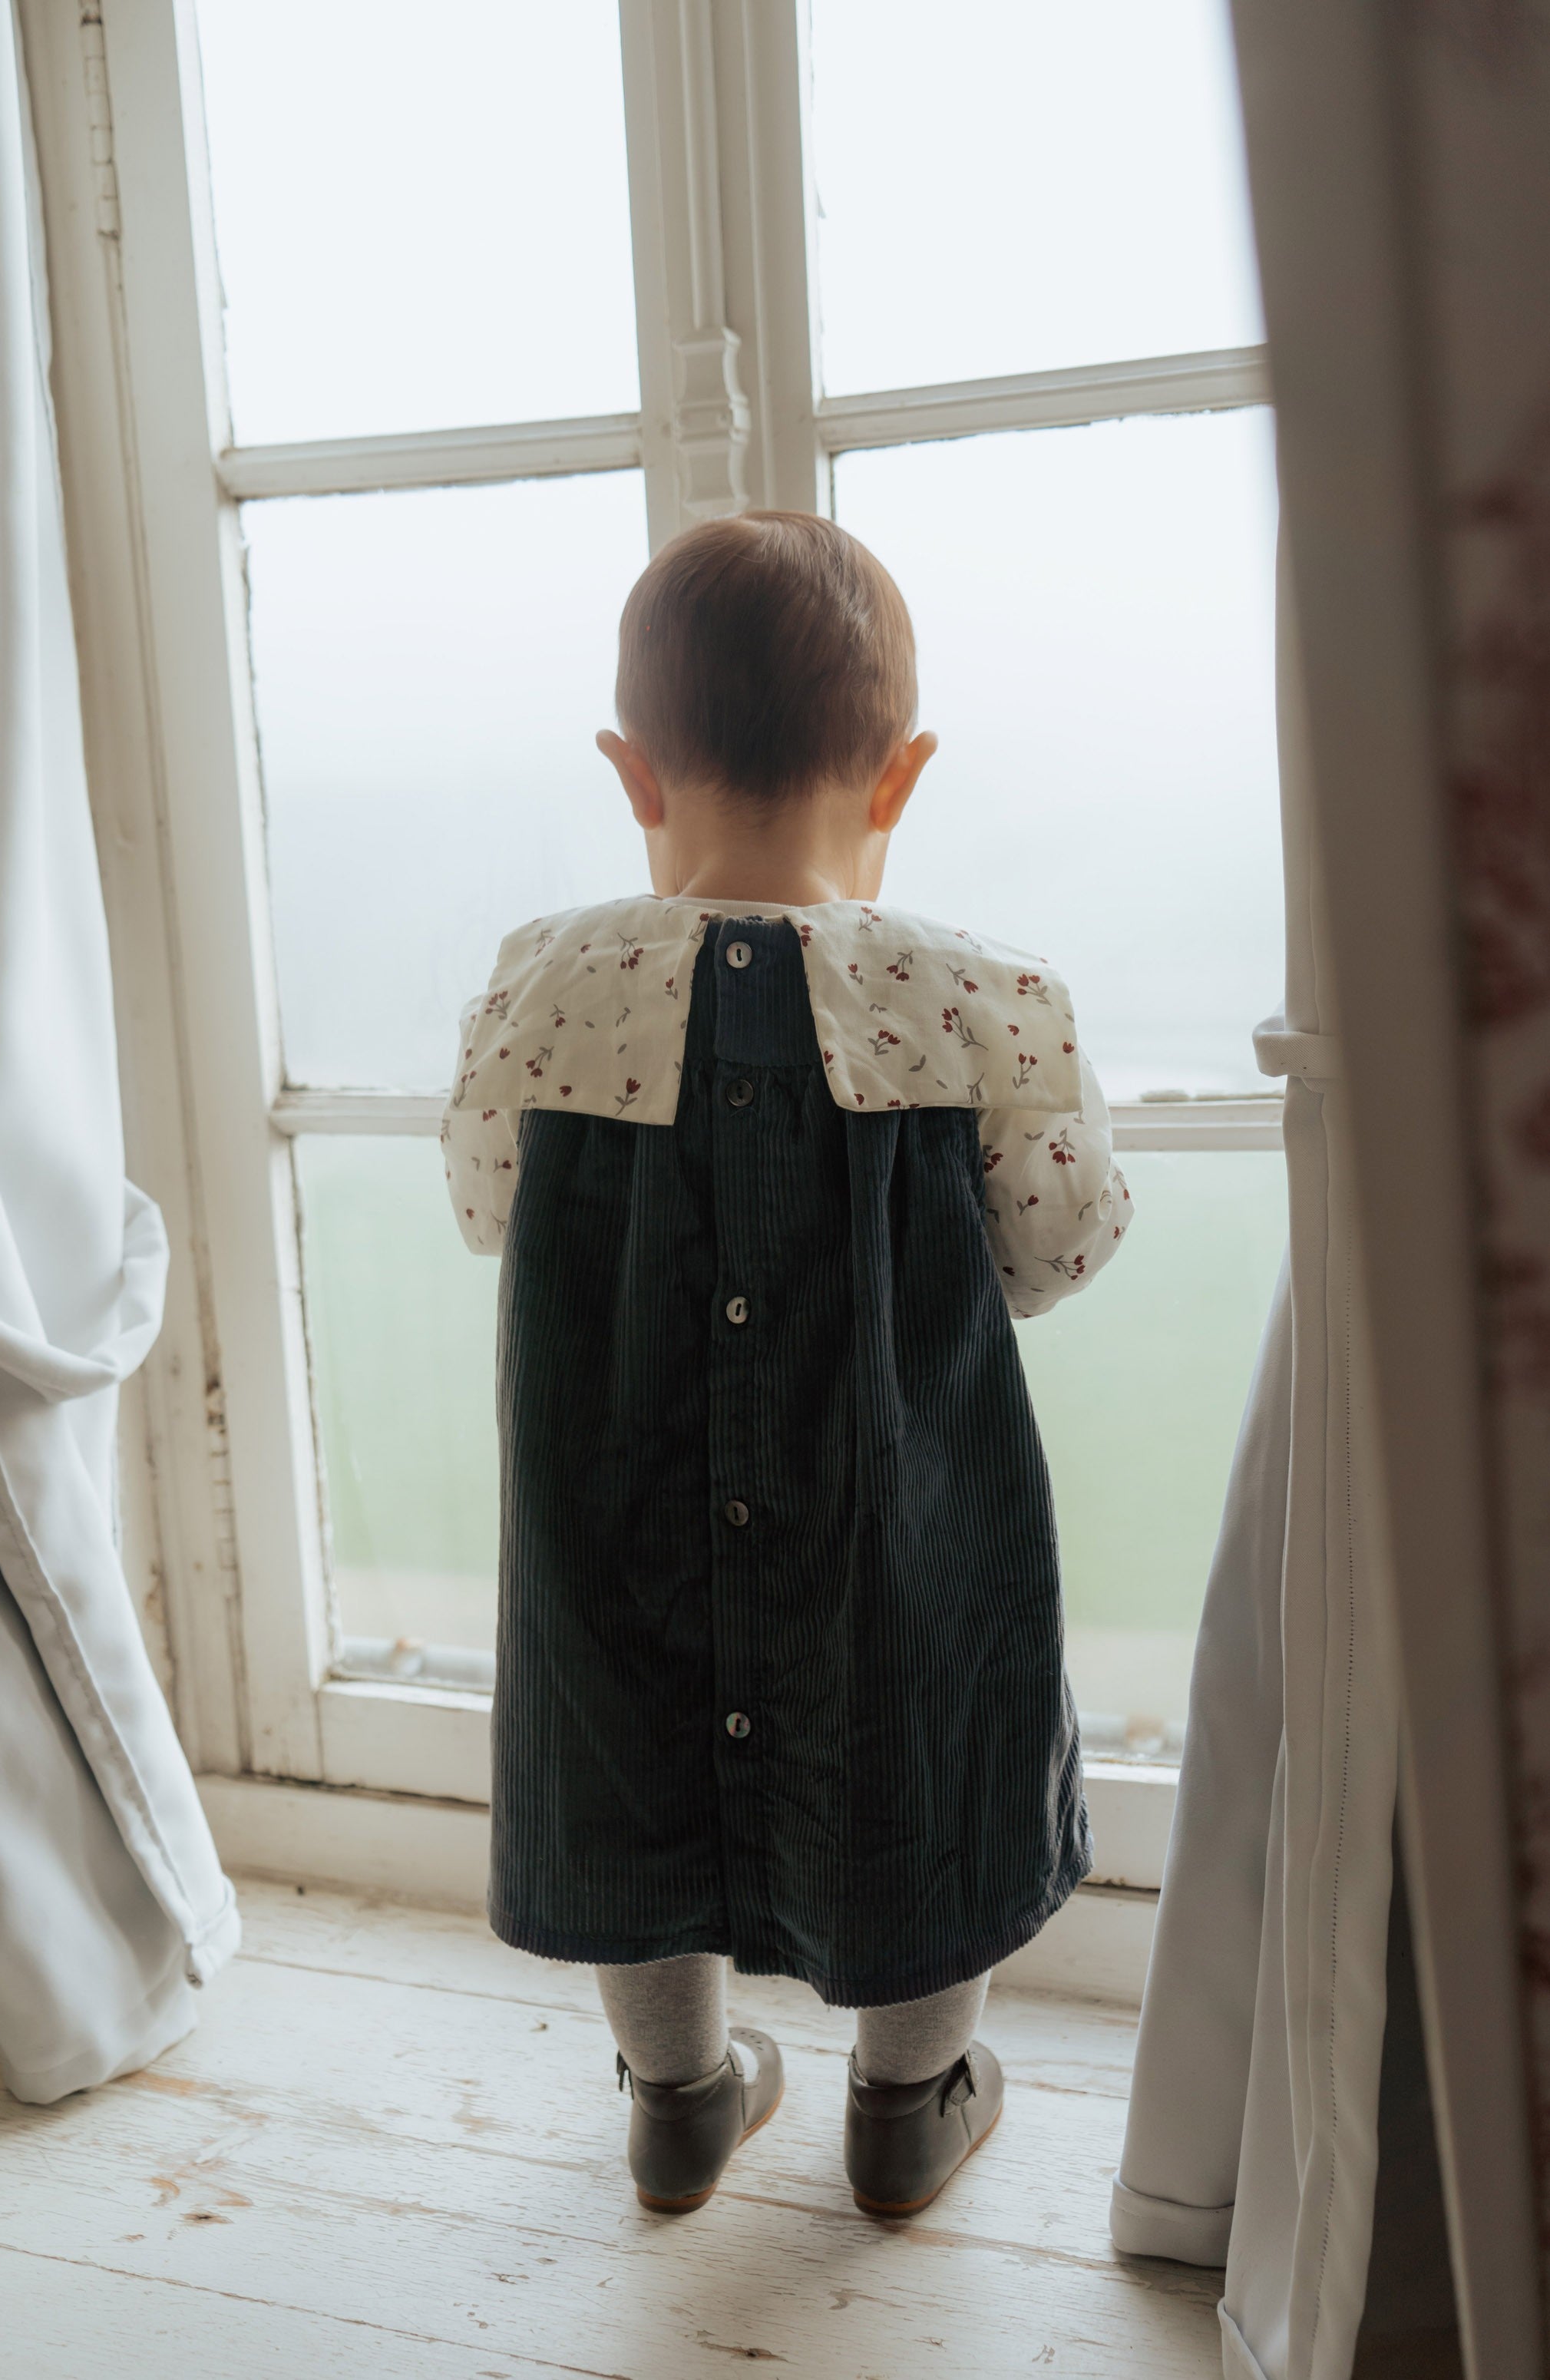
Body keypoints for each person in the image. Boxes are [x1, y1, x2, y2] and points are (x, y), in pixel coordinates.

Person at [442, 511, 1131, 2217]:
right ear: (899, 774)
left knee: (633, 1740)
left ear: (632, 770)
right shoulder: (984, 995)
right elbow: (1054, 1249)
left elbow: (485, 1205)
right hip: (895, 1497)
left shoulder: (545, 978)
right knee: (925, 1743)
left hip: (616, 1481)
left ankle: (679, 2095)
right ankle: (906, 2105)